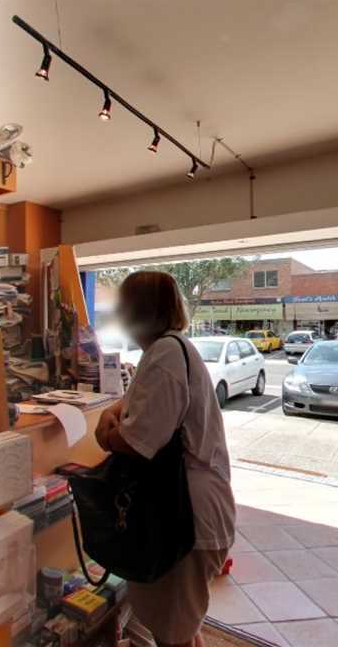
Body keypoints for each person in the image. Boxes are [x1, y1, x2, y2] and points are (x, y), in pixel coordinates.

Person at [95, 271, 236, 647]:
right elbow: (154, 405)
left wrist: (107, 435)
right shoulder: (172, 350)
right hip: (190, 512)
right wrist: (116, 408)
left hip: (185, 517)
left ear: (134, 312)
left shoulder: (164, 355)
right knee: (180, 629)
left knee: (174, 634)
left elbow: (139, 442)